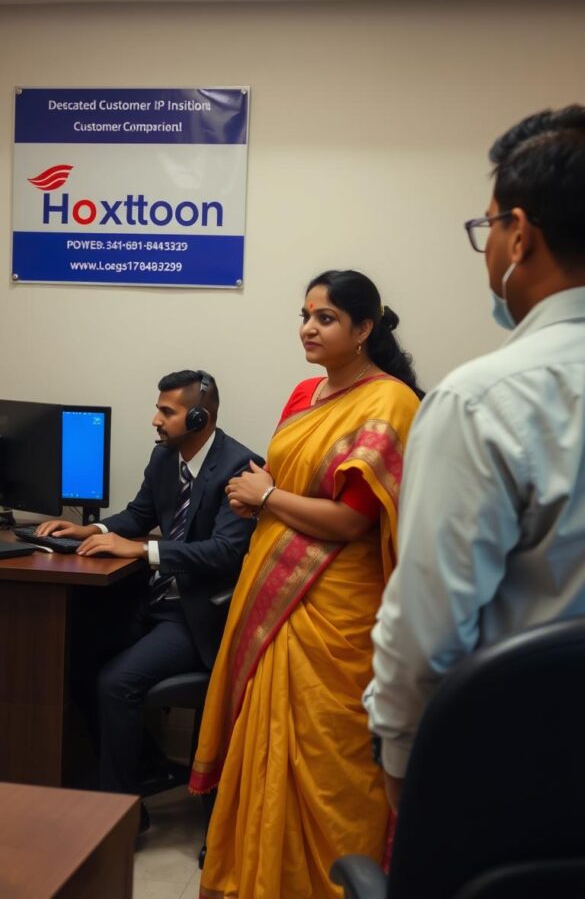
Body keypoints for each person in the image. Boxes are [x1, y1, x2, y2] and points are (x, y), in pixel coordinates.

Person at [367, 104, 585, 814]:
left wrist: (400, 757)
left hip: (522, 776)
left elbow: (428, 625)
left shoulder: (482, 400)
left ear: (518, 234)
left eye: (487, 226)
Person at [189, 271, 422, 899]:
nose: (308, 328)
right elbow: (286, 483)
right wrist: (255, 497)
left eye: (325, 318)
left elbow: (351, 519)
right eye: (305, 315)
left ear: (364, 328)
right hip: (276, 596)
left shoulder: (390, 402)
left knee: (331, 762)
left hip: (337, 609)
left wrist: (268, 496)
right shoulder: (302, 395)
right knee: (264, 750)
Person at [38, 369, 263, 819]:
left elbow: (224, 553)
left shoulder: (240, 467)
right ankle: (139, 767)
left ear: (201, 417)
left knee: (115, 682)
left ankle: (119, 817)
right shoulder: (165, 459)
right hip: (151, 602)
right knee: (74, 657)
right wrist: (93, 528)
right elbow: (138, 514)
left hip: (196, 615)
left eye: (167, 411)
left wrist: (143, 551)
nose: (154, 420)